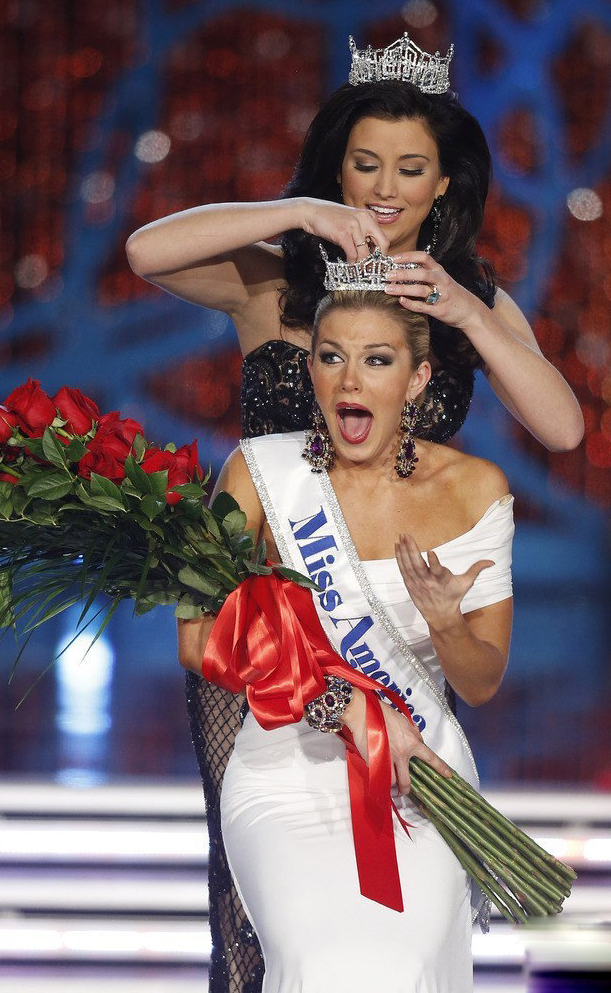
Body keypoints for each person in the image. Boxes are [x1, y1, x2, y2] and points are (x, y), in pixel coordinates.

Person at [127, 35, 579, 989]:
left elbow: (562, 427)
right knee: (248, 918)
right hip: (262, 642)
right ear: (337, 166)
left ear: (445, 185)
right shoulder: (276, 282)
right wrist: (301, 212)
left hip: (400, 638)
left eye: (409, 169)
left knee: (404, 899)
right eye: (362, 164)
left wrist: (464, 313)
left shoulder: (469, 301)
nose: (384, 186)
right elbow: (144, 250)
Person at [177, 287, 514, 992]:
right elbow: (197, 638)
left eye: (376, 360)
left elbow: (480, 683)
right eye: (331, 358)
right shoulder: (258, 474)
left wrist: (448, 624)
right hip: (283, 767)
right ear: (312, 374)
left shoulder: (473, 488)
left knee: (405, 963)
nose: (351, 380)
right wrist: (345, 705)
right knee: (316, 963)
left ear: (415, 380)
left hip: (415, 768)